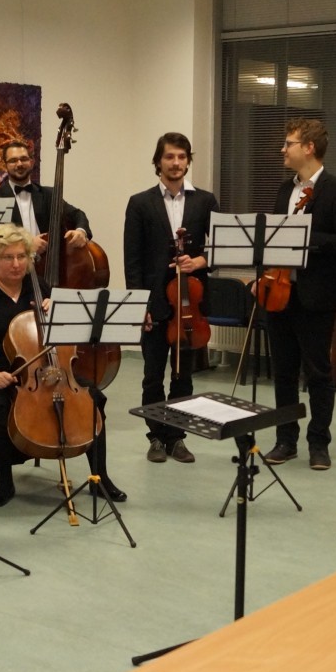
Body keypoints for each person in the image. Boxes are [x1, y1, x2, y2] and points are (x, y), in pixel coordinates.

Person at [0, 225, 124, 506]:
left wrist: (57, 314)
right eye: (8, 257)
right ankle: (4, 482)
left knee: (93, 398)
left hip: (44, 368)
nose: (17, 264)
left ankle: (100, 477)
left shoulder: (39, 287)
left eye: (22, 256)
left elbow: (62, 339)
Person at [258, 119, 336, 470]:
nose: (283, 150)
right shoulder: (284, 190)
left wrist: (306, 238)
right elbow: (273, 238)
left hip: (316, 295)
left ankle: (319, 443)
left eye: (289, 143)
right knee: (283, 372)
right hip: (279, 292)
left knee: (318, 372)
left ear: (309, 147)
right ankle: (285, 440)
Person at [122, 132, 219, 465]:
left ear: (188, 161)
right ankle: (155, 437)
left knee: (183, 376)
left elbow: (218, 249)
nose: (176, 163)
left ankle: (176, 437)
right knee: (152, 375)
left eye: (181, 156)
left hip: (189, 303)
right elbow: (132, 259)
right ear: (158, 162)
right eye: (169, 157)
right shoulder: (140, 202)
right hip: (154, 301)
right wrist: (139, 305)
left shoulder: (205, 201)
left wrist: (198, 262)